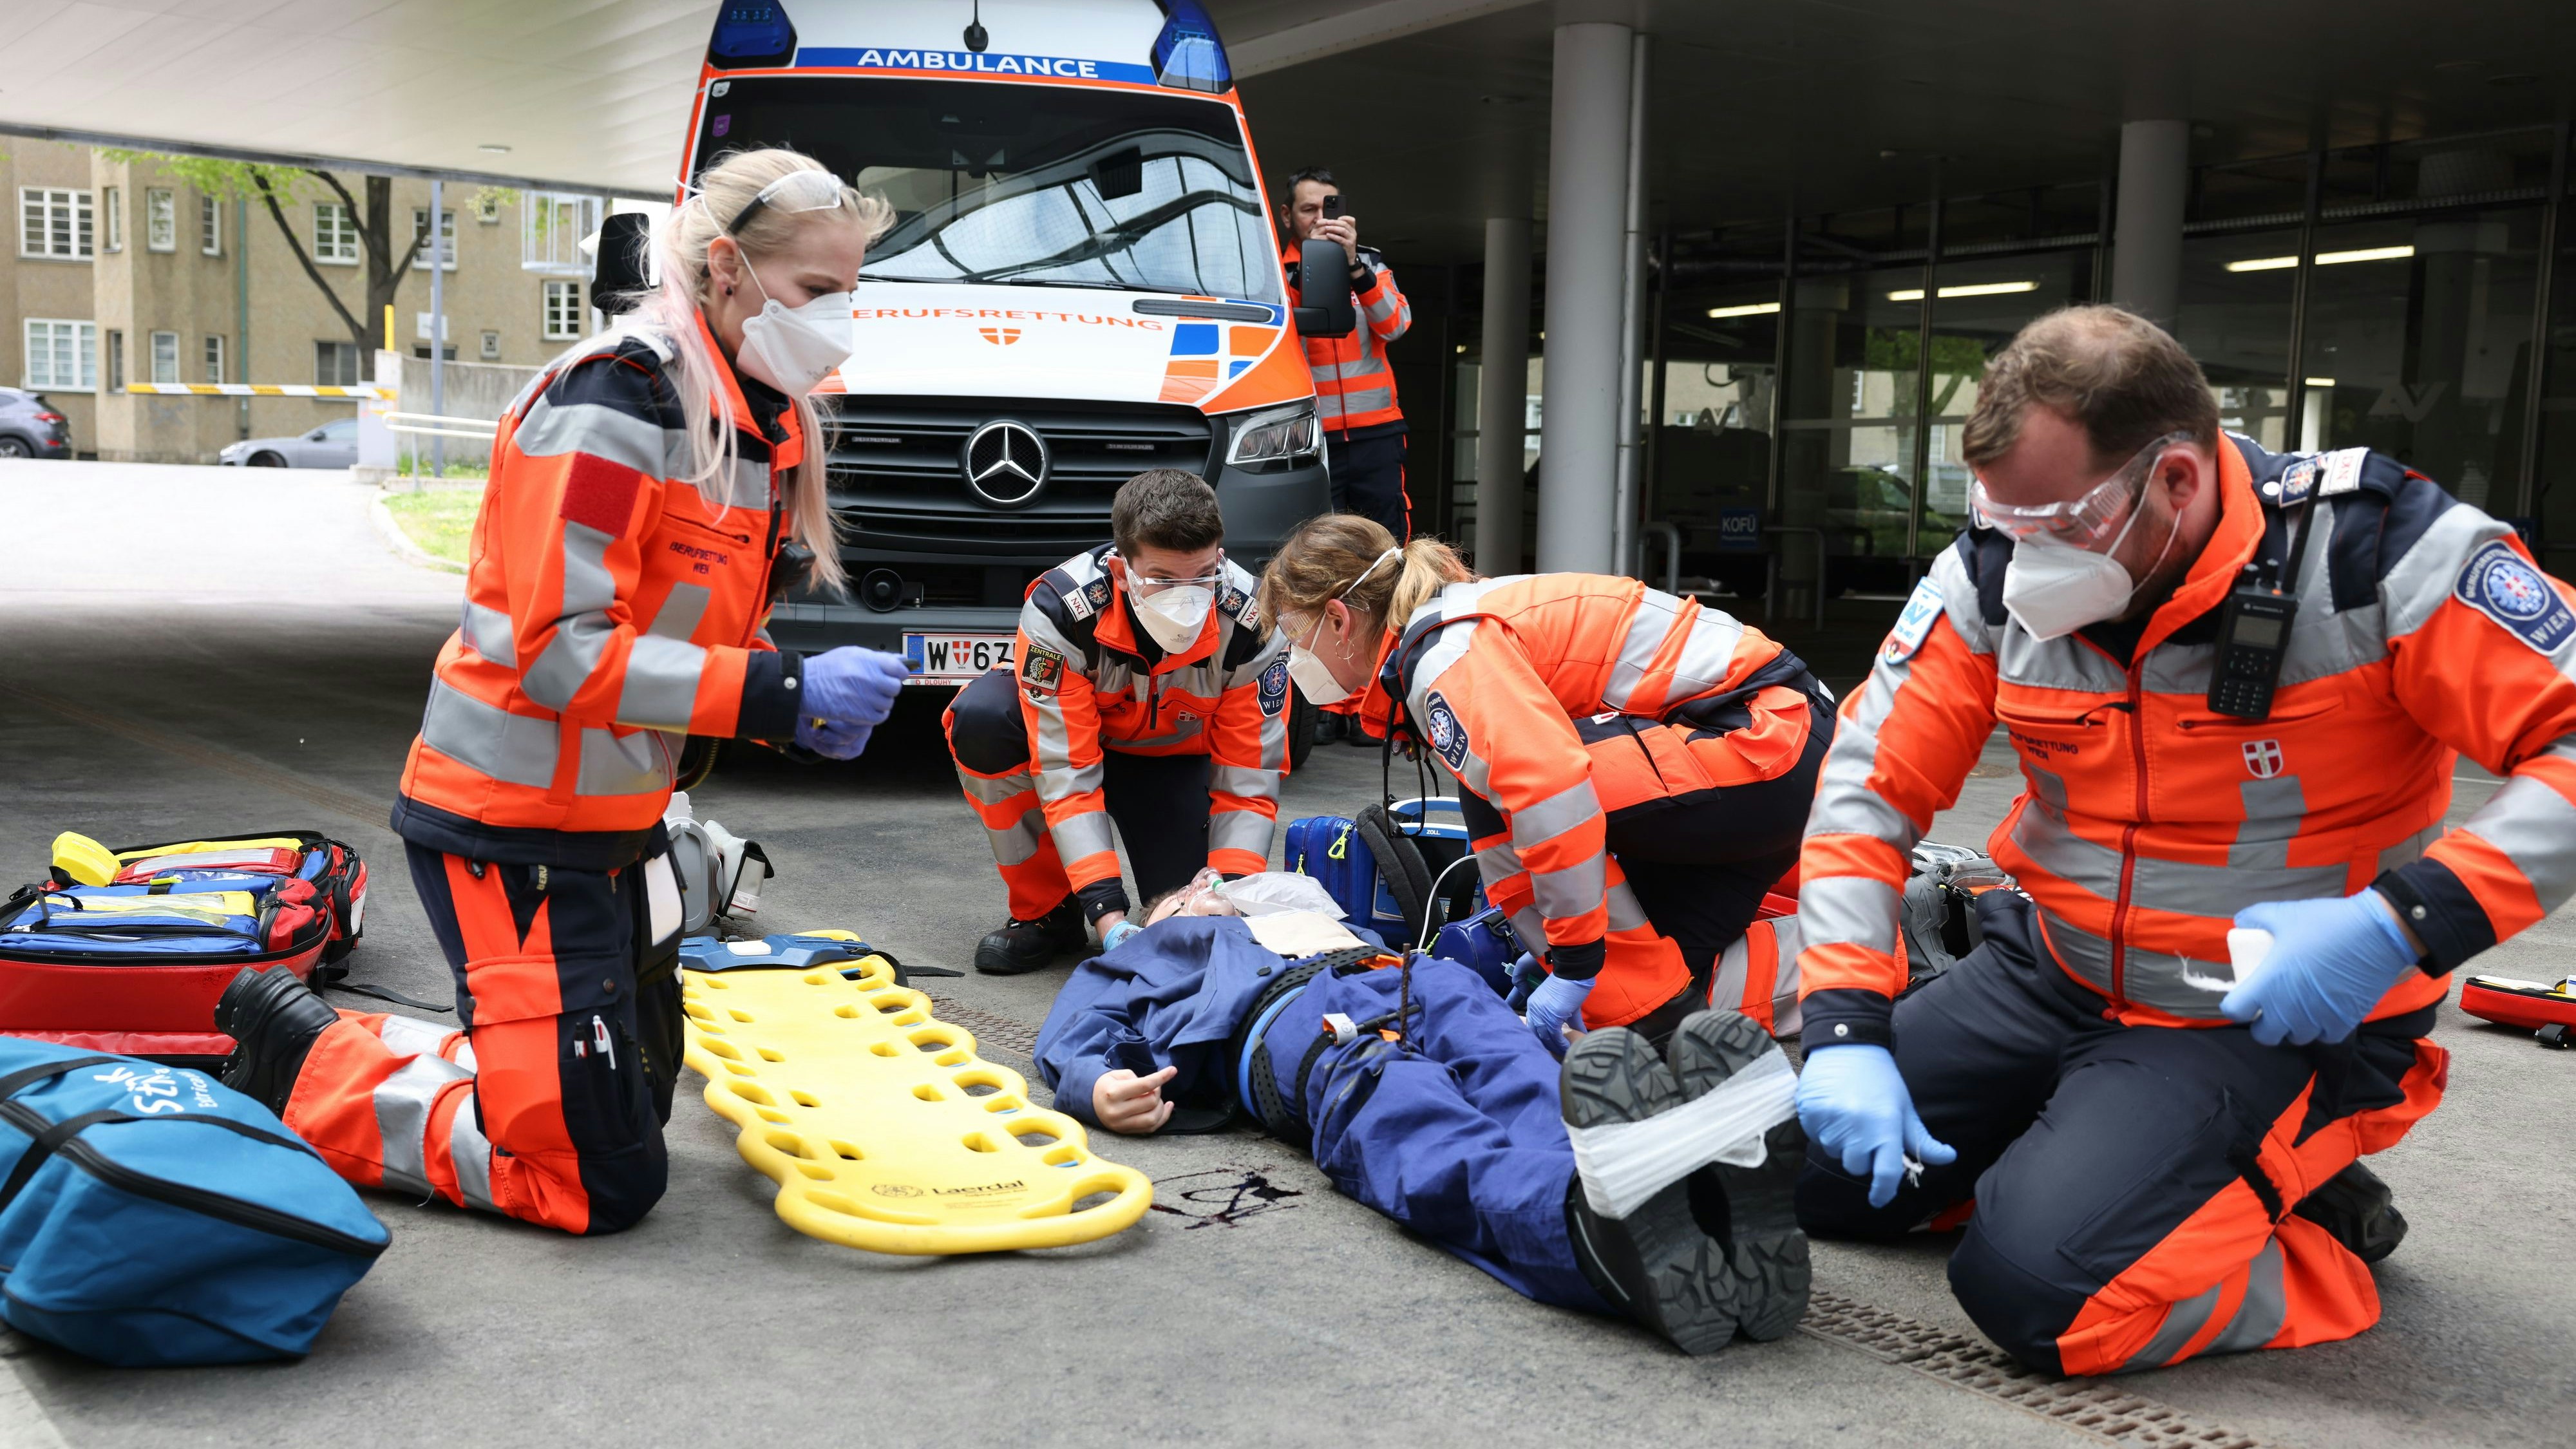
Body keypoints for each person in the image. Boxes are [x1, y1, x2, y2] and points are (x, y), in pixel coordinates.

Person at [1791, 304, 2576, 1376]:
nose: (2025, 565)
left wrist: (2398, 926)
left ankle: (2308, 1236)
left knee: (2039, 1296)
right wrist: (1844, 1025)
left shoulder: (2377, 555)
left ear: (2175, 479)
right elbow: (1862, 795)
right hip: (2050, 967)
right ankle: (2116, 1177)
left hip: (2263, 1017)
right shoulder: (1990, 572)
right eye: (2003, 519)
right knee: (1806, 1174)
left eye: (2060, 523)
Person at [211, 149, 911, 1235]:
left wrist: (792, 699)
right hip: (509, 826)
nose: (842, 319)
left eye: (851, 290)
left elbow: (684, 620)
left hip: (614, 828)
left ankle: (490, 1059)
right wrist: (780, 694)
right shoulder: (618, 399)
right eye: (821, 289)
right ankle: (303, 1066)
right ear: (727, 270)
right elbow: (558, 652)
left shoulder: (748, 417)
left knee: (631, 1094)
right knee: (594, 1183)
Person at [1036, 878, 1810, 1354]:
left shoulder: (1308, 915)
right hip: (1303, 1023)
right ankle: (1582, 1226)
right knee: (1407, 1111)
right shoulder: (1152, 950)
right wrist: (1095, 1087)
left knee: (1521, 1075)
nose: (1213, 886)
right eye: (1191, 889)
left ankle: (1681, 1197)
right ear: (1161, 914)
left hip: (1415, 976)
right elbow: (1073, 1033)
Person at [1255, 516, 1833, 1051]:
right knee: (1654, 993)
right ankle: (1886, 948)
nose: (1293, 653)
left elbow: (1550, 793)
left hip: (1763, 734)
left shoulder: (1446, 655)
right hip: (1763, 748)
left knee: (1611, 973)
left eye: (1293, 631)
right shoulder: (1444, 632)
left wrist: (1576, 958)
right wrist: (1554, 950)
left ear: (1339, 618)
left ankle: (1618, 992)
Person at [945, 469, 1291, 975]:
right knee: (983, 719)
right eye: (1163, 580)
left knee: (1183, 921)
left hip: (1172, 762)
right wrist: (1108, 919)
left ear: (1219, 557)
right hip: (1077, 750)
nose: (1186, 596)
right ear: (1121, 569)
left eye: (1201, 576)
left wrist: (1228, 898)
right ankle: (1047, 914)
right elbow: (1067, 772)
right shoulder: (1063, 609)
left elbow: (1248, 781)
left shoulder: (1253, 622)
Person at [1279, 167, 1413, 543]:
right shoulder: (1272, 270)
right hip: (1311, 434)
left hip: (1377, 430)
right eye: (1309, 210)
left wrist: (1354, 267)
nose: (1321, 220)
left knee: (1387, 536)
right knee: (1318, 541)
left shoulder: (1370, 262)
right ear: (1287, 215)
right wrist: (1310, 266)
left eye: (1329, 209)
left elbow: (1396, 325)